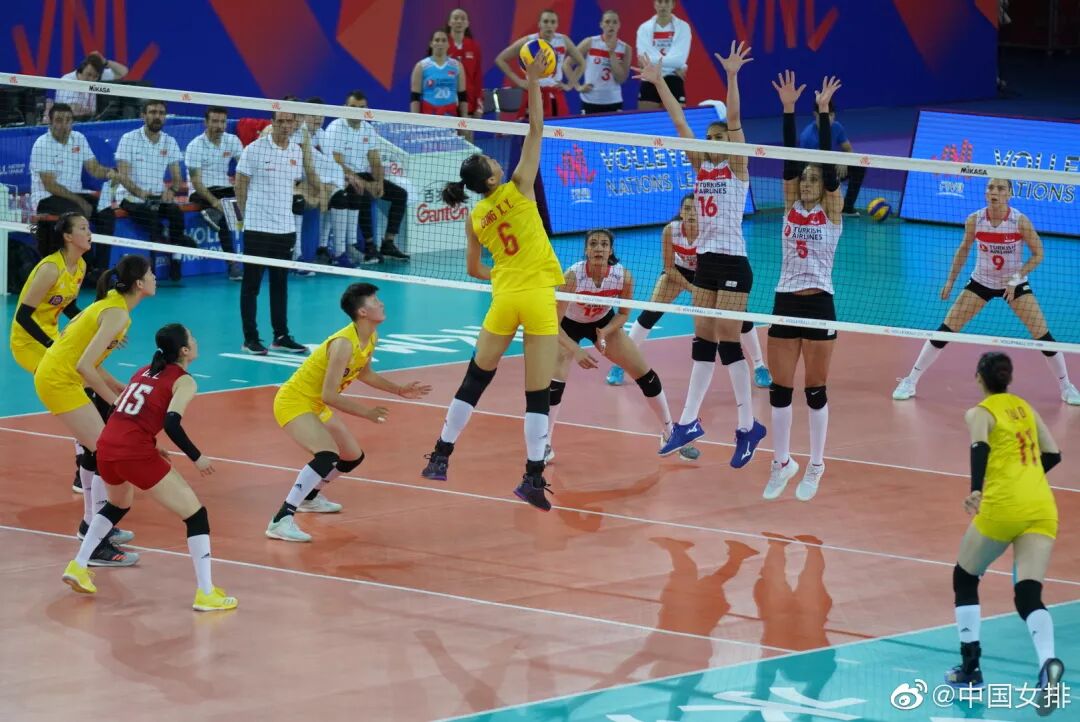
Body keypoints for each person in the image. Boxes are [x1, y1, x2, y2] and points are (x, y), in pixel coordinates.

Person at [420, 52, 565, 512]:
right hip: (537, 297)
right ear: (491, 175)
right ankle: (533, 478)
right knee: (537, 394)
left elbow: (473, 270)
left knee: (475, 378)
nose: (493, 159)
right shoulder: (519, 185)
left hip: (504, 298)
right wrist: (534, 81)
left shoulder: (477, 216)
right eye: (488, 159)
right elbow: (537, 128)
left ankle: (440, 455)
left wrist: (502, 273)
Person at [635, 44, 767, 466]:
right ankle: (688, 421)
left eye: (719, 138)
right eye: (709, 139)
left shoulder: (737, 168)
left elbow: (735, 119)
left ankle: (747, 426)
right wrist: (659, 82)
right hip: (707, 263)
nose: (713, 142)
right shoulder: (702, 168)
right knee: (703, 341)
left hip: (733, 263)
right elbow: (678, 121)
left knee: (729, 340)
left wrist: (731, 76)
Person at [61, 324, 238, 612]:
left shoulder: (143, 371)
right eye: (192, 338)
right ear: (184, 350)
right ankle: (206, 593)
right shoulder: (184, 381)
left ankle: (79, 565)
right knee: (196, 515)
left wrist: (151, 443)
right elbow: (171, 422)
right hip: (133, 452)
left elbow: (124, 411)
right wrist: (196, 457)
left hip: (107, 445)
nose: (196, 341)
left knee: (117, 505)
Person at [945, 352, 1064, 715]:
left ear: (979, 377)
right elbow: (1053, 454)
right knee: (1028, 593)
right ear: (1008, 378)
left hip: (1002, 506)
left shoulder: (979, 413)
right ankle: (1047, 663)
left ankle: (970, 668)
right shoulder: (1026, 408)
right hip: (1041, 506)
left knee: (965, 577)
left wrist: (976, 489)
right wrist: (1026, 480)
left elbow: (979, 446)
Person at [892, 178, 1079, 406]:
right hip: (981, 282)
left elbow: (1038, 254)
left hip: (1013, 284)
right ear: (985, 193)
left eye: (1000, 188)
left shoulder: (1019, 221)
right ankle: (910, 381)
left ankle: (1066, 386)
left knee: (1043, 335)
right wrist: (950, 281)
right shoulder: (975, 220)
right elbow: (963, 249)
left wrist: (1016, 278)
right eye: (990, 187)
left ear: (1009, 194)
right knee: (946, 329)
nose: (994, 192)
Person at [266, 283, 430, 542]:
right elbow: (329, 395)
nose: (381, 304)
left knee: (352, 456)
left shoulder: (371, 336)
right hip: (294, 401)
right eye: (374, 301)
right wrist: (367, 412)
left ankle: (309, 498)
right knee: (326, 455)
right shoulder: (343, 344)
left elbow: (365, 373)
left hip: (314, 405)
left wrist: (399, 390)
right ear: (362, 312)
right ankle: (281, 520)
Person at [33, 254, 156, 567]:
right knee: (107, 451)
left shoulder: (114, 305)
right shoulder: (117, 313)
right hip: (59, 381)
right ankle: (97, 544)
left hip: (61, 377)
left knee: (98, 450)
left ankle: (92, 525)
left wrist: (117, 385)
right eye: (151, 274)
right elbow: (84, 366)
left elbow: (89, 360)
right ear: (139, 283)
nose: (155, 278)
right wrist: (117, 403)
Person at [761, 71, 844, 503]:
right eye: (804, 179)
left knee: (815, 389)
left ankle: (816, 463)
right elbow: (789, 164)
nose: (808, 184)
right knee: (780, 389)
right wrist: (789, 110)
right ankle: (781, 462)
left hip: (820, 303)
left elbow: (828, 168)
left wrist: (824, 114)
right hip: (785, 300)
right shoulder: (789, 207)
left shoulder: (832, 212)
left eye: (814, 179)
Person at [550, 229, 697, 462]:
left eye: (604, 244)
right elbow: (553, 324)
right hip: (568, 325)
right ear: (586, 250)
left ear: (611, 250)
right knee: (554, 382)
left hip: (603, 322)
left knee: (646, 375)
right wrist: (576, 350)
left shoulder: (622, 277)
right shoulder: (573, 277)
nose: (599, 248)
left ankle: (670, 433)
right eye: (593, 244)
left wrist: (604, 332)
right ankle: (544, 444)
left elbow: (623, 314)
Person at [607, 194, 771, 389]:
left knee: (739, 315)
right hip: (679, 272)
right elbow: (669, 267)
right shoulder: (671, 230)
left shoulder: (711, 232)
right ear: (681, 212)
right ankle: (621, 364)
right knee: (651, 311)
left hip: (708, 274)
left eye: (696, 209)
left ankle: (760, 366)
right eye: (687, 209)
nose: (692, 213)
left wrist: (705, 287)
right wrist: (693, 288)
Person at [11, 213, 92, 492]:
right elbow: (23, 316)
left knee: (84, 386)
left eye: (88, 227)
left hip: (52, 336)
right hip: (27, 342)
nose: (89, 233)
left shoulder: (80, 265)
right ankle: (82, 467)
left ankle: (87, 460)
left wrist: (95, 326)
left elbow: (67, 305)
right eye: (83, 228)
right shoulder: (50, 268)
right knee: (70, 389)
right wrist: (51, 346)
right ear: (68, 237)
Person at [234, 106, 315, 356]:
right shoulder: (254, 149)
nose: (285, 126)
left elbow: (293, 184)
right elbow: (240, 185)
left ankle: (281, 336)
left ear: (294, 124)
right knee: (251, 286)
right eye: (281, 121)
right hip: (258, 228)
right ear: (273, 122)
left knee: (280, 285)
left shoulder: (296, 151)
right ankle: (250, 339)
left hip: (285, 229)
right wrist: (246, 217)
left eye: (290, 121)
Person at [29, 103, 117, 275]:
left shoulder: (78, 138)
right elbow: (50, 185)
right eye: (59, 120)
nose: (64, 125)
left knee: (106, 213)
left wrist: (110, 173)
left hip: (75, 194)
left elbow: (94, 168)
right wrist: (80, 202)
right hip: (46, 198)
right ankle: (84, 267)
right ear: (50, 123)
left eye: (68, 120)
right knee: (78, 214)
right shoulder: (42, 145)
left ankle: (101, 269)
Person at [325, 90, 411, 265]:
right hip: (341, 176)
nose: (357, 111)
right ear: (344, 107)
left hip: (363, 175)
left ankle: (388, 243)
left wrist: (379, 182)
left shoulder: (368, 129)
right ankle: (370, 246)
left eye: (361, 107)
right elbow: (337, 163)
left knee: (401, 194)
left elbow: (375, 160)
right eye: (353, 107)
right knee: (362, 193)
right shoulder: (336, 128)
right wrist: (365, 184)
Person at [114, 99, 195, 282]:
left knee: (175, 212)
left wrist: (171, 191)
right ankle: (171, 244)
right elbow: (123, 176)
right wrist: (141, 193)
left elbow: (177, 177)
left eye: (161, 113)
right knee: (150, 218)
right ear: (143, 115)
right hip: (130, 197)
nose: (157, 116)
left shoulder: (170, 141)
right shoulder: (128, 139)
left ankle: (176, 259)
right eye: (152, 112)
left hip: (157, 196)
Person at [185, 105, 244, 281]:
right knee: (226, 217)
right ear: (206, 122)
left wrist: (243, 192)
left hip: (224, 188)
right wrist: (214, 203)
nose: (219, 126)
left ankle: (212, 214)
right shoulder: (195, 146)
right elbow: (196, 182)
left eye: (222, 122)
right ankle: (232, 264)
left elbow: (244, 169)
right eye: (215, 121)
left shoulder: (232, 140)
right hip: (201, 191)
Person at [494, 9, 586, 119]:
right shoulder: (529, 41)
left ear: (557, 25)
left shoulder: (563, 41)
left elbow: (581, 63)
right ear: (539, 24)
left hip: (554, 95)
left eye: (553, 22)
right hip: (534, 94)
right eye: (545, 21)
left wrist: (570, 85)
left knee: (557, 128)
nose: (549, 25)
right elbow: (500, 59)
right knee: (532, 128)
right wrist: (519, 82)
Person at [799, 100, 865, 216]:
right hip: (813, 170)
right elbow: (806, 164)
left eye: (831, 115)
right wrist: (835, 162)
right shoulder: (807, 136)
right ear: (815, 115)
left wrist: (844, 161)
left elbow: (849, 150)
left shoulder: (837, 127)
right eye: (825, 115)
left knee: (859, 167)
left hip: (832, 167)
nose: (829, 119)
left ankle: (847, 207)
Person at [635, 0, 692, 111]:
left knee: (676, 119)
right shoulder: (644, 28)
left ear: (673, 4)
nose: (663, 5)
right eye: (660, 2)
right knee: (648, 119)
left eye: (666, 2)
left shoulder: (683, 27)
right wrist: (676, 65)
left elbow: (679, 60)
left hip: (673, 78)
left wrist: (679, 64)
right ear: (655, 4)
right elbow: (643, 59)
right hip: (651, 78)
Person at [572, 10, 631, 114]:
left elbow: (621, 79)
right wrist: (577, 86)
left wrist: (612, 54)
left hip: (613, 101)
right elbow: (567, 64)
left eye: (614, 22)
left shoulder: (625, 48)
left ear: (619, 25)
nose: (611, 25)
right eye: (607, 22)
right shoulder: (590, 42)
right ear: (601, 24)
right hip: (590, 101)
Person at [53, 52, 128, 120]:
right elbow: (74, 110)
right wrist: (94, 112)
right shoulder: (67, 81)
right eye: (88, 74)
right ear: (82, 69)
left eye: (95, 76)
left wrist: (105, 62)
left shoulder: (97, 75)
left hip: (90, 121)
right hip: (69, 121)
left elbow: (123, 72)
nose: (91, 79)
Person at [411, 30, 468, 117]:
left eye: (444, 40)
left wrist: (465, 119)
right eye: (437, 40)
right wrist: (414, 119)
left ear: (448, 44)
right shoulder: (421, 66)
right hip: (428, 115)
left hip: (450, 115)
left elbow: (462, 96)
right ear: (431, 44)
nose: (440, 43)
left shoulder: (457, 66)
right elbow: (415, 96)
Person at [445, 8, 484, 118]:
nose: (459, 21)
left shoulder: (474, 47)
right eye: (456, 18)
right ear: (449, 22)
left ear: (467, 24)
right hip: (446, 103)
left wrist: (479, 104)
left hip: (468, 103)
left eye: (463, 19)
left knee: (466, 130)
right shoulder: (442, 44)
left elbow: (477, 78)